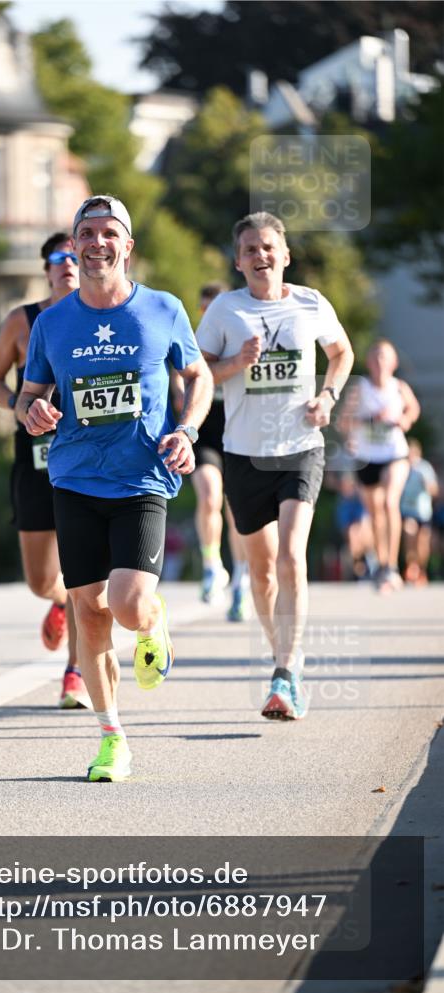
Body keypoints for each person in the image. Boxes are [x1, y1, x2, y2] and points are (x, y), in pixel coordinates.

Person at [16, 195, 213, 781]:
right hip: (74, 478)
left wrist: (188, 428)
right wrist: (32, 413)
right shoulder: (51, 324)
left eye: (108, 233)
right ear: (73, 247)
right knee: (90, 611)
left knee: (127, 606)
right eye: (87, 233)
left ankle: (153, 621)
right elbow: (30, 394)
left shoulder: (163, 309)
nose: (97, 242)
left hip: (143, 477)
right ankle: (111, 739)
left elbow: (197, 375)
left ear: (127, 246)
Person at [197, 211, 354, 721]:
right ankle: (283, 651)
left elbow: (342, 352)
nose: (260, 256)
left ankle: (285, 671)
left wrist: (328, 396)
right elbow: (199, 375)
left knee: (290, 557)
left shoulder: (311, 303)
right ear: (238, 261)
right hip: (244, 453)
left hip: (300, 448)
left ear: (284, 255)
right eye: (250, 250)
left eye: (268, 247)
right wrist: (237, 363)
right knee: (262, 574)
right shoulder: (225, 309)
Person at [0, 233, 89, 709]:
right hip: (35, 460)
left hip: (87, 461)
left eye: (74, 256)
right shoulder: (22, 322)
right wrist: (18, 405)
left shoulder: (101, 320)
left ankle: (75, 672)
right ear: (46, 269)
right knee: (43, 580)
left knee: (84, 571)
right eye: (58, 258)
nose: (67, 264)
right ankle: (61, 600)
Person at [339, 339, 420, 593]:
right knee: (375, 514)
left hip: (394, 454)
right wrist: (368, 420)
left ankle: (393, 566)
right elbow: (343, 422)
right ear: (368, 363)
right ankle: (383, 563)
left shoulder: (399, 388)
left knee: (389, 503)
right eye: (375, 356)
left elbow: (413, 409)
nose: (380, 361)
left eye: (385, 356)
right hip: (366, 458)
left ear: (394, 362)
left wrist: (404, 420)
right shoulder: (360, 389)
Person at [191, 282, 251, 618]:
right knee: (210, 495)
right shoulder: (191, 342)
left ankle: (241, 580)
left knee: (235, 511)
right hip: (204, 432)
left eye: (214, 307)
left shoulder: (243, 341)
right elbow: (180, 387)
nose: (209, 314)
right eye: (204, 308)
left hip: (239, 431)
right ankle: (212, 565)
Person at [400, 438, 439, 585]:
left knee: (423, 542)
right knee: (409, 532)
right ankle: (412, 567)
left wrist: (426, 484)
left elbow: (435, 490)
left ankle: (421, 569)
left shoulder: (424, 468)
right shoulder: (401, 468)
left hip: (423, 512)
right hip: (407, 511)